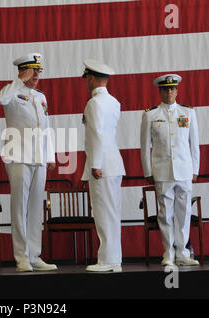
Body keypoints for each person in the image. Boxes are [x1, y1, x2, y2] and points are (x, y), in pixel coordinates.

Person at [0, 53, 57, 272]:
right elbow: (0, 99)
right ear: (23, 71)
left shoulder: (40, 97)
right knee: (19, 206)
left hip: (39, 157)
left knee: (35, 208)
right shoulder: (12, 92)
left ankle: (34, 255)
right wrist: (19, 81)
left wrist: (50, 155)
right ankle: (21, 256)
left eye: (39, 71)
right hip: (19, 156)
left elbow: (46, 127)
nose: (37, 75)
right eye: (33, 71)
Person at [140, 74, 200, 267]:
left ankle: (182, 253)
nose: (169, 92)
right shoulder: (151, 115)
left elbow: (194, 144)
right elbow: (144, 146)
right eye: (165, 89)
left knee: (183, 213)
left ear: (177, 90)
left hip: (184, 170)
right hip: (162, 171)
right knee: (165, 214)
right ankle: (168, 253)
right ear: (160, 91)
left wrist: (195, 169)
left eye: (172, 88)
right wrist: (147, 170)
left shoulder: (188, 113)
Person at [80, 60, 126, 272]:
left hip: (103, 166)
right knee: (112, 213)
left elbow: (98, 134)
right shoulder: (114, 101)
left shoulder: (94, 103)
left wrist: (95, 164)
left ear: (90, 78)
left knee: (104, 213)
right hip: (113, 163)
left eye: (87, 79)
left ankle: (107, 260)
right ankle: (114, 260)